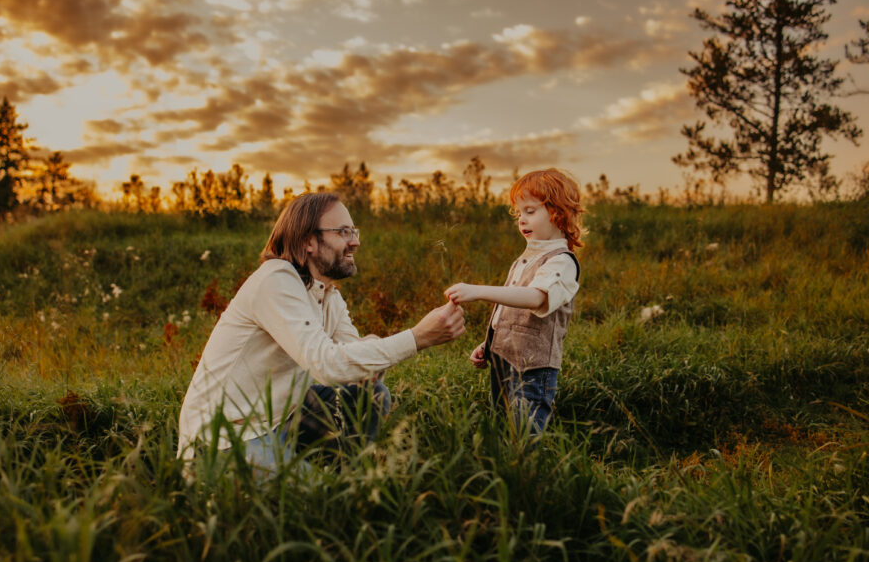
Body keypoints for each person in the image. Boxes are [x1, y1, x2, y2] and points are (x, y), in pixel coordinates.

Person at [178, 191, 466, 470]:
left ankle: (344, 472)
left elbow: (358, 374)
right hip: (221, 438)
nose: (355, 242)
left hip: (281, 420)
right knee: (312, 504)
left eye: (355, 232)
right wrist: (418, 337)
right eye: (343, 232)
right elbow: (327, 365)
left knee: (371, 395)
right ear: (308, 241)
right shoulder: (276, 279)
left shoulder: (328, 295)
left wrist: (371, 347)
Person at [444, 169, 584, 436]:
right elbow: (509, 312)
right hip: (503, 359)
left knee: (524, 431)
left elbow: (535, 298)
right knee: (502, 424)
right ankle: (506, 469)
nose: (522, 219)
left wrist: (478, 291)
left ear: (558, 212)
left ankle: (525, 472)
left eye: (530, 211)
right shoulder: (525, 259)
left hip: (533, 367)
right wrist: (489, 343)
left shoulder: (562, 262)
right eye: (519, 213)